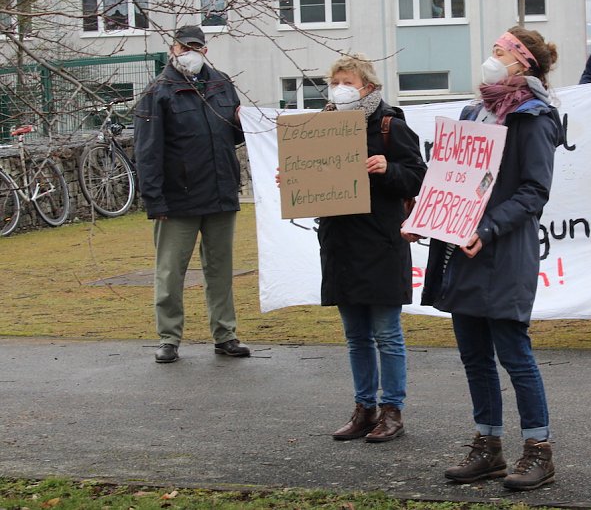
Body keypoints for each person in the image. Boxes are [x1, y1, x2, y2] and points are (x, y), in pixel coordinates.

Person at [407, 27, 563, 490]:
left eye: (500, 53)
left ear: (523, 64)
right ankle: (488, 447)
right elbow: (448, 180)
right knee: (473, 355)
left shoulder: (534, 117)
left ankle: (539, 450)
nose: (490, 59)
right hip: (462, 250)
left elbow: (535, 192)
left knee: (514, 353)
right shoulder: (472, 112)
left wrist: (489, 228)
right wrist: (423, 216)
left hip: (503, 251)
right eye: (492, 51)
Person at [279, 55, 426, 442]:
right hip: (340, 242)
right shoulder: (318, 128)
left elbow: (418, 177)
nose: (339, 87)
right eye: (334, 80)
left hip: (380, 240)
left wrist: (387, 168)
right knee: (355, 335)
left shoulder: (390, 125)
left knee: (387, 333)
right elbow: (312, 179)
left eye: (347, 80)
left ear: (368, 87)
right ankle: (365, 408)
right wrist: (292, 180)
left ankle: (392, 410)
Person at [134, 25, 250, 364]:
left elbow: (235, 136)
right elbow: (148, 151)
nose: (190, 52)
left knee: (220, 270)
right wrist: (154, 200)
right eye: (184, 46)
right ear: (173, 49)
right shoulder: (158, 92)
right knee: (170, 272)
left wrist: (244, 121)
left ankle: (225, 334)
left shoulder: (222, 84)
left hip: (220, 192)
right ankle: (169, 338)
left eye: (196, 46)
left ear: (206, 49)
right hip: (177, 199)